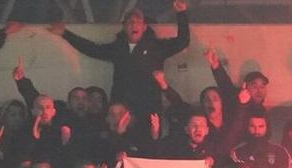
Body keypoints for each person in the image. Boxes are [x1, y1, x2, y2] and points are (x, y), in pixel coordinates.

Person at [51, 2, 191, 118]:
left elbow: (182, 42)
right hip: (121, 106)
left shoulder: (157, 47)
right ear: (124, 27)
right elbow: (92, 49)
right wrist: (65, 34)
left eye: (137, 22)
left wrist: (181, 13)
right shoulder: (117, 48)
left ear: (144, 27)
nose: (133, 25)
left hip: (149, 106)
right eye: (129, 22)